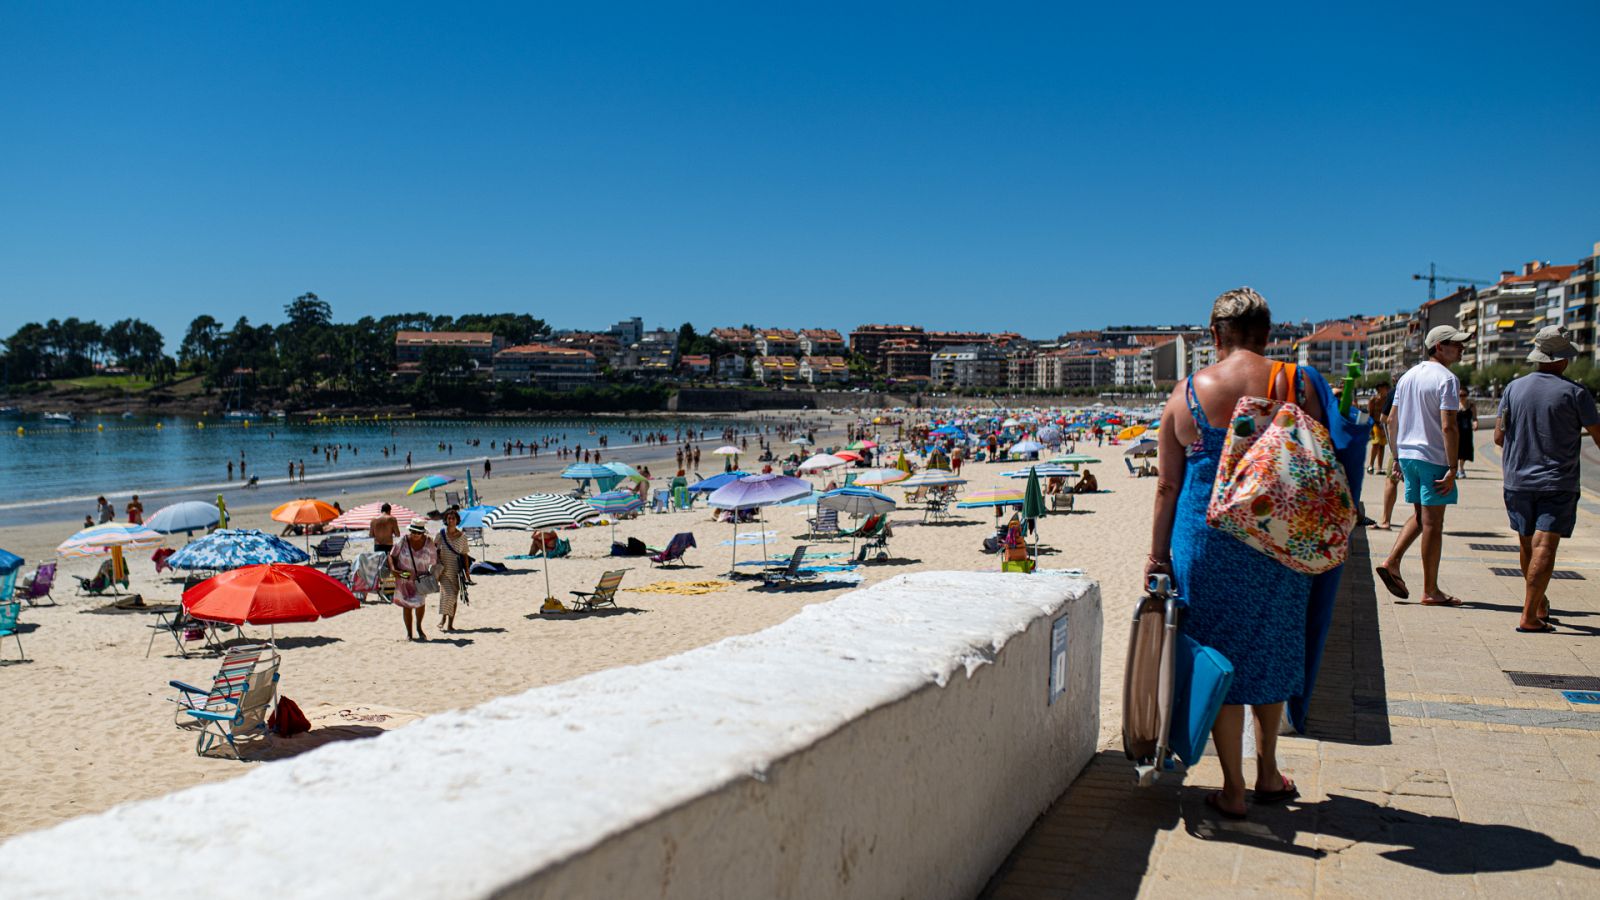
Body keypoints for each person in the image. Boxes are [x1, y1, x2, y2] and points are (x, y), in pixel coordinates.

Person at [1147, 287, 1327, 820]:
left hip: (1205, 543)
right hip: (1279, 539)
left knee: (1218, 656)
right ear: (1268, 334)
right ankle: (1269, 771)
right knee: (1271, 648)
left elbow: (1166, 487)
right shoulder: (1293, 383)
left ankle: (1232, 787)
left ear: (1214, 336)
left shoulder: (1188, 394)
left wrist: (1157, 557)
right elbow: (1320, 460)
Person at [1494, 326, 1600, 633]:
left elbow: (1499, 436)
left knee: (1527, 545)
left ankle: (1538, 605)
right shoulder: (1577, 394)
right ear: (1564, 359)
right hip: (1556, 481)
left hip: (1516, 480)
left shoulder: (1513, 389)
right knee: (1545, 547)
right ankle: (1529, 615)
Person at [1375, 324, 1468, 606]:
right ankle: (1430, 590)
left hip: (1409, 457)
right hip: (1434, 457)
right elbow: (1448, 427)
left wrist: (1397, 458)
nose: (1461, 348)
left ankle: (1392, 562)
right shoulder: (1448, 379)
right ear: (1439, 346)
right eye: (1456, 344)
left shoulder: (1407, 377)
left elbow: (1391, 420)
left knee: (1420, 515)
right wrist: (1452, 467)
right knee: (1433, 525)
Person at [389, 521, 438, 641]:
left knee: (420, 604)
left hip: (420, 579)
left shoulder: (428, 542)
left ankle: (419, 628)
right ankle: (409, 634)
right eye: (413, 531)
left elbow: (434, 561)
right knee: (407, 606)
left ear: (423, 532)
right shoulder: (404, 540)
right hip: (404, 578)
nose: (415, 534)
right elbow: (391, 555)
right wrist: (393, 569)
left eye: (418, 532)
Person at [435, 509, 471, 632]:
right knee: (447, 594)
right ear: (446, 520)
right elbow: (434, 550)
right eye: (449, 518)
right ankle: (443, 619)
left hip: (456, 571)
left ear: (457, 520)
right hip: (444, 570)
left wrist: (467, 572)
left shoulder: (462, 536)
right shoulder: (441, 534)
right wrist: (436, 563)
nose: (451, 521)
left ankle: (450, 624)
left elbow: (465, 554)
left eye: (453, 518)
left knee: (454, 597)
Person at [1365, 383, 1391, 474]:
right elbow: (1370, 414)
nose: (1386, 389)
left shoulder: (1387, 399)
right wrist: (1371, 427)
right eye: (1385, 388)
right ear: (1379, 389)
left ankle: (1379, 467)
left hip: (1384, 425)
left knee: (1382, 446)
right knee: (1376, 443)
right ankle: (1371, 465)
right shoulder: (1373, 399)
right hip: (1375, 424)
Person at [1455, 387, 1476, 478]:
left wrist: (1475, 424)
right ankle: (1454, 470)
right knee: (1455, 450)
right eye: (1460, 395)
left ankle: (1461, 469)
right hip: (1456, 431)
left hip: (1466, 432)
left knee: (1464, 451)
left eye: (1464, 395)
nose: (1462, 397)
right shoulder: (1454, 405)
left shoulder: (1471, 406)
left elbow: (1475, 418)